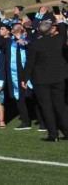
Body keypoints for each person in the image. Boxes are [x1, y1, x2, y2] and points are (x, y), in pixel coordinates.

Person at [22, 9, 68, 142]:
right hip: (58, 78)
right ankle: (66, 131)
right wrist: (58, 19)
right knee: (61, 107)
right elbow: (64, 29)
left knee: (47, 108)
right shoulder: (59, 40)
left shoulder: (34, 44)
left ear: (39, 30)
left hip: (41, 80)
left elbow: (29, 63)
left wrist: (25, 79)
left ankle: (53, 135)